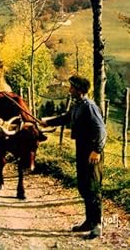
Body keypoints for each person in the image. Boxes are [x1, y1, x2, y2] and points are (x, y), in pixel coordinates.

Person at [41, 75, 107, 239]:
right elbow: (65, 118)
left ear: (79, 90)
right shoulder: (78, 106)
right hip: (82, 150)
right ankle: (88, 221)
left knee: (93, 188)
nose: (69, 90)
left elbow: (101, 130)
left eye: (72, 87)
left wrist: (97, 150)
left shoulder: (89, 106)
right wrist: (47, 122)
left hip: (92, 152)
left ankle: (97, 225)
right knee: (84, 186)